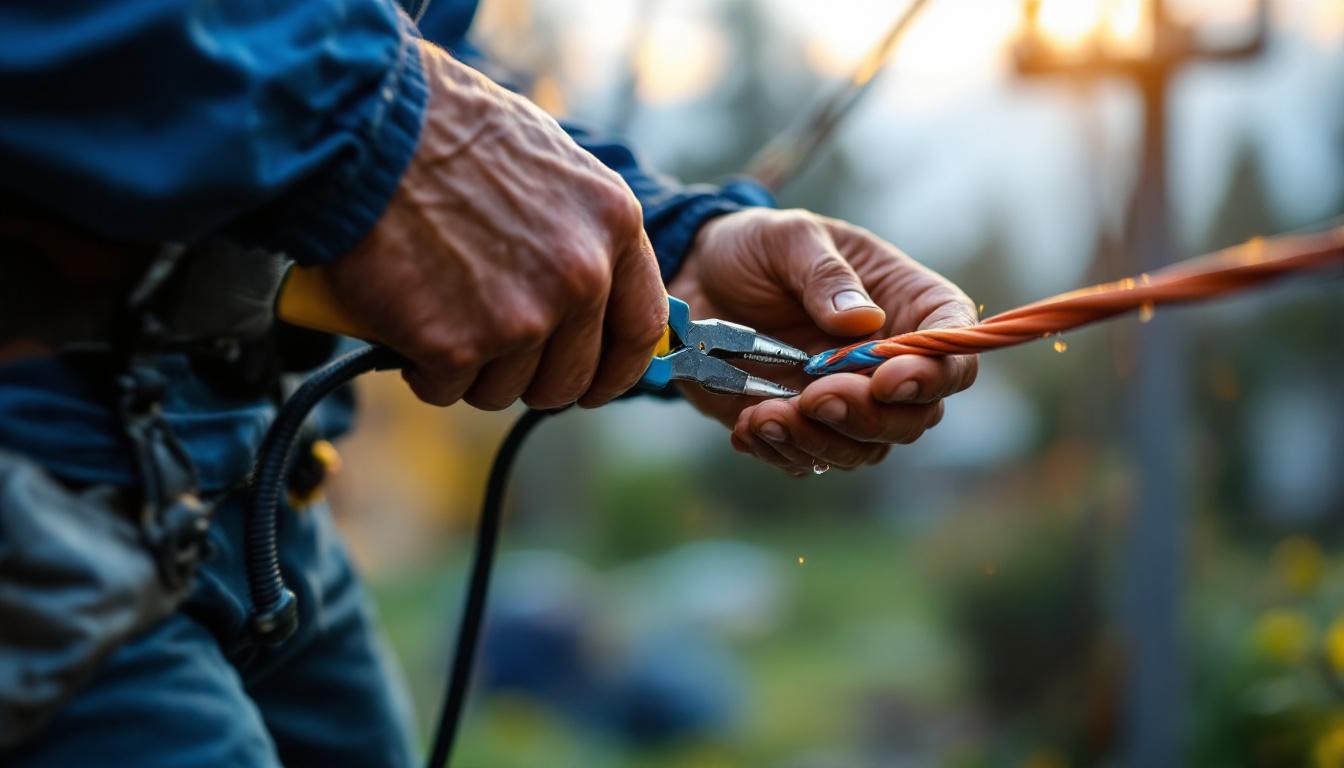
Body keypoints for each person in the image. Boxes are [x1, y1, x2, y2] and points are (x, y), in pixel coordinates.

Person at [0, 0, 978, 764]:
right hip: (41, 479)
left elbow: (424, 59)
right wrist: (374, 121)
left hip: (261, 481)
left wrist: (662, 249)